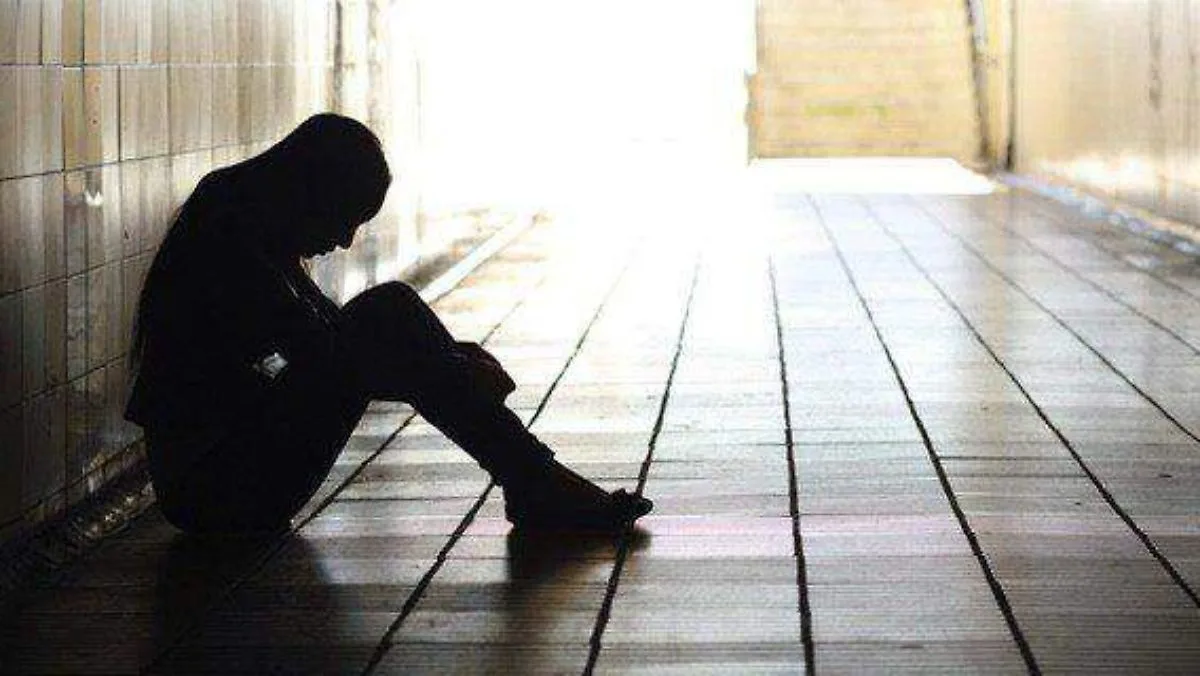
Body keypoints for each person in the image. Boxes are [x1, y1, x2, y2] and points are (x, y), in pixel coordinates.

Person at [125, 113, 651, 535]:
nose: (346, 240)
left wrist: (451, 360)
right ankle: (533, 480)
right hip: (215, 493)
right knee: (386, 311)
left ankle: (531, 480)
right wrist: (456, 374)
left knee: (390, 308)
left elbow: (331, 336)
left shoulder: (246, 209)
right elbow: (330, 354)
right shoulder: (231, 233)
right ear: (311, 191)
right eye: (345, 216)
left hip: (227, 474)